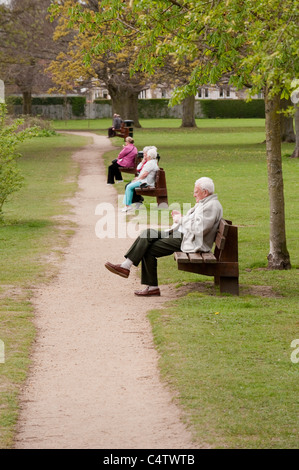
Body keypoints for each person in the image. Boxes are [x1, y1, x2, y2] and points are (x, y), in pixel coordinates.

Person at [105, 177, 223, 296]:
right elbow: (195, 222)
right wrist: (181, 217)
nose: (194, 195)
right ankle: (127, 266)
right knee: (148, 233)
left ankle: (150, 285)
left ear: (205, 192)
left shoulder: (211, 206)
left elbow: (199, 229)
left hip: (189, 240)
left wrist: (181, 219)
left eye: (196, 192)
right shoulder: (206, 202)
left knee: (148, 248)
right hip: (184, 235)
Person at [121, 147, 159, 212]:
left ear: (149, 156)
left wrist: (138, 179)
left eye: (146, 155)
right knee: (129, 186)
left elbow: (145, 174)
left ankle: (128, 206)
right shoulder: (152, 162)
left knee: (129, 187)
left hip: (145, 182)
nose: (146, 156)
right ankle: (127, 205)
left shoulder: (150, 163)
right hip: (145, 181)